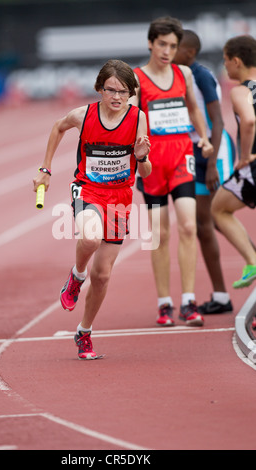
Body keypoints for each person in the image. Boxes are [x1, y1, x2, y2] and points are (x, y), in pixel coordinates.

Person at [33, 59, 151, 360]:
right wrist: (45, 168)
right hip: (87, 189)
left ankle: (84, 332)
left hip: (120, 196)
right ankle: (76, 276)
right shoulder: (83, 115)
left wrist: (141, 157)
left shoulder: (137, 118)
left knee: (103, 276)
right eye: (111, 90)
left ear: (130, 94)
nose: (117, 97)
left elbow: (146, 173)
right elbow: (58, 127)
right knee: (90, 238)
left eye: (124, 92)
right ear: (100, 89)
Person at [129, 16, 213, 327]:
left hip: (181, 158)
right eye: (162, 44)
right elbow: (134, 117)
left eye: (173, 46)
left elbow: (193, 107)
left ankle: (188, 302)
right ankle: (164, 303)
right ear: (151, 43)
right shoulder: (137, 78)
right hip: (152, 164)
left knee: (189, 226)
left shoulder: (184, 73)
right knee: (160, 233)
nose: (167, 51)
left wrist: (202, 137)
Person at [174, 29, 235, 315]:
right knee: (203, 226)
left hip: (214, 153)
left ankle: (250, 263)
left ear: (189, 52)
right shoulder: (179, 76)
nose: (169, 53)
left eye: (175, 48)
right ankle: (221, 296)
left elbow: (219, 122)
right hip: (194, 154)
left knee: (218, 220)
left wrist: (212, 163)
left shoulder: (201, 76)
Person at [211, 35, 256, 289]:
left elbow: (249, 121)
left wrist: (246, 155)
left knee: (218, 209)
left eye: (226, 61)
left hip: (254, 165)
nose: (225, 66)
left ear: (237, 61)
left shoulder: (241, 90)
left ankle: (252, 260)